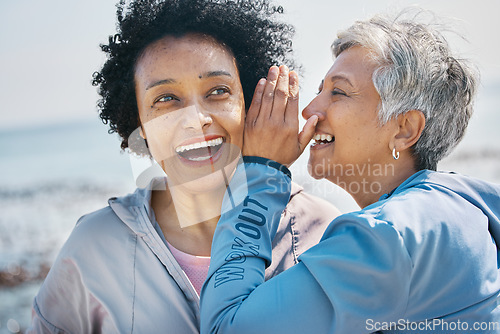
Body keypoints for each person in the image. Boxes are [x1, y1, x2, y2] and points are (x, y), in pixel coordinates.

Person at [27, 0, 340, 333]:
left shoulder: (324, 233)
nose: (195, 119)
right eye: (166, 98)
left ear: (249, 102)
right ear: (139, 125)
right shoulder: (91, 249)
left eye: (218, 91)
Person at [200, 10, 500, 333]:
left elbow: (225, 326)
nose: (310, 109)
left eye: (338, 92)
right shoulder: (465, 206)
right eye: (319, 89)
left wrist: (259, 171)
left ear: (404, 128)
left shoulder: (386, 239)